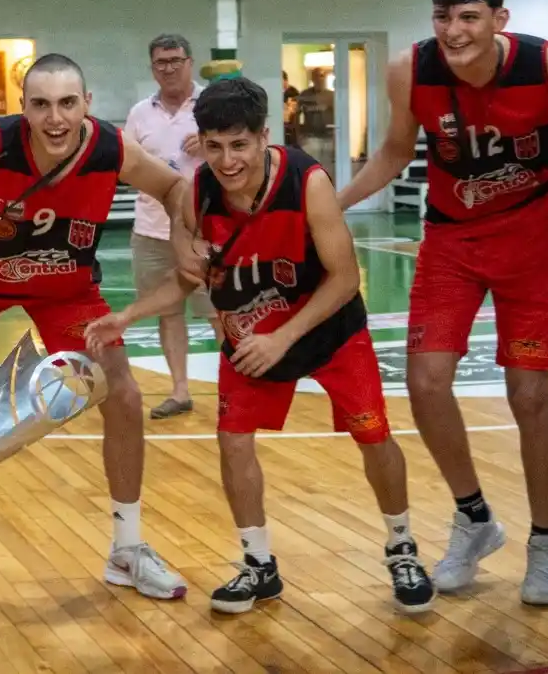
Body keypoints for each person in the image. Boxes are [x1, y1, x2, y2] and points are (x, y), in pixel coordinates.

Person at [335, 0, 548, 606]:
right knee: (423, 381)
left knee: (529, 398)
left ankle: (545, 543)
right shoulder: (408, 69)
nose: (453, 30)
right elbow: (391, 152)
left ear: (498, 17)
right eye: (443, 16)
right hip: (451, 240)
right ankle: (473, 518)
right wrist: (332, 203)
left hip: (534, 240)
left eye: (468, 16)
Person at [88, 78, 436, 615]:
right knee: (233, 442)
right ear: (200, 142)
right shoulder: (197, 194)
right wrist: (128, 315)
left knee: (373, 435)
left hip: (327, 329)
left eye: (240, 145)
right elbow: (187, 278)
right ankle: (258, 565)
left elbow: (344, 279)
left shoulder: (307, 183)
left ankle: (402, 546)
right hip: (252, 334)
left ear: (263, 136)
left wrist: (283, 336)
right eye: (214, 146)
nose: (227, 160)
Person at [0, 53, 195, 603]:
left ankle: (128, 548)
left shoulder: (111, 148)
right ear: (22, 108)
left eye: (67, 103)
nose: (55, 118)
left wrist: (185, 244)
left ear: (87, 105)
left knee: (123, 396)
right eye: (41, 104)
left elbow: (173, 187)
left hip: (65, 290)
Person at [123, 33, 216, 420]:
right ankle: (180, 390)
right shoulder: (139, 113)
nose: (169, 68)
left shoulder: (214, 104)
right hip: (151, 229)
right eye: (161, 62)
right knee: (168, 312)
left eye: (176, 60)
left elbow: (249, 152)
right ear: (152, 68)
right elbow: (126, 165)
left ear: (190, 62)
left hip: (208, 231)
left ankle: (238, 390)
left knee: (219, 312)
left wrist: (211, 143)